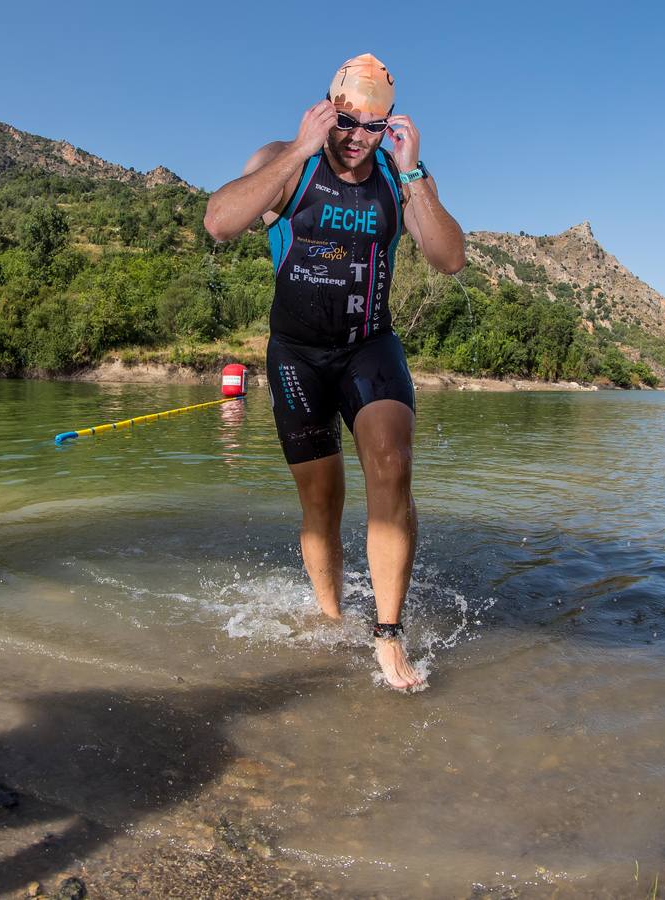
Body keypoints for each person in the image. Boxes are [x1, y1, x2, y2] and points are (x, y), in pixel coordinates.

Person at [204, 54, 466, 690]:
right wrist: (299, 148)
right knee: (322, 500)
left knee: (392, 465)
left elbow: (450, 259)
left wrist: (417, 172)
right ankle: (329, 619)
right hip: (297, 355)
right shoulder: (284, 155)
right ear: (328, 108)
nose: (356, 138)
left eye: (371, 127)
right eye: (346, 121)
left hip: (368, 346)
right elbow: (218, 224)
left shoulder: (395, 177)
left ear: (388, 126)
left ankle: (387, 635)